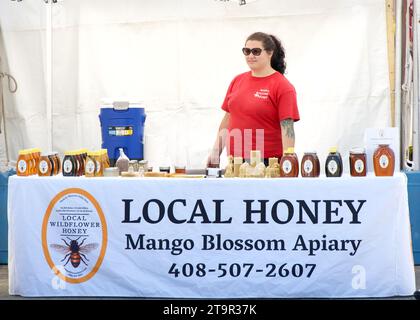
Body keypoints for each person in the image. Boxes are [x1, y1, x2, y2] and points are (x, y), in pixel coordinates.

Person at [207, 32, 300, 167]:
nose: (250, 55)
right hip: (235, 162)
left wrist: (287, 164)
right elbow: (228, 119)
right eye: (247, 51)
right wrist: (216, 152)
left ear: (270, 53)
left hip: (267, 163)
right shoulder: (237, 81)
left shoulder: (282, 86)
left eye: (256, 51)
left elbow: (288, 129)